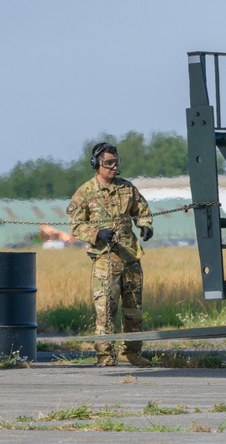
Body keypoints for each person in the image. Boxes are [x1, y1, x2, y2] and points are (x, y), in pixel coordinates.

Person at [68, 142, 154, 368]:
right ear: (96, 164)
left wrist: (145, 225)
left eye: (116, 163)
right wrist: (96, 234)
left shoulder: (127, 188)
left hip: (130, 257)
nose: (114, 167)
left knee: (134, 310)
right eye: (108, 163)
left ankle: (132, 352)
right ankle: (105, 355)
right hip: (105, 260)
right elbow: (76, 225)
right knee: (105, 310)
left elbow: (142, 210)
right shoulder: (85, 193)